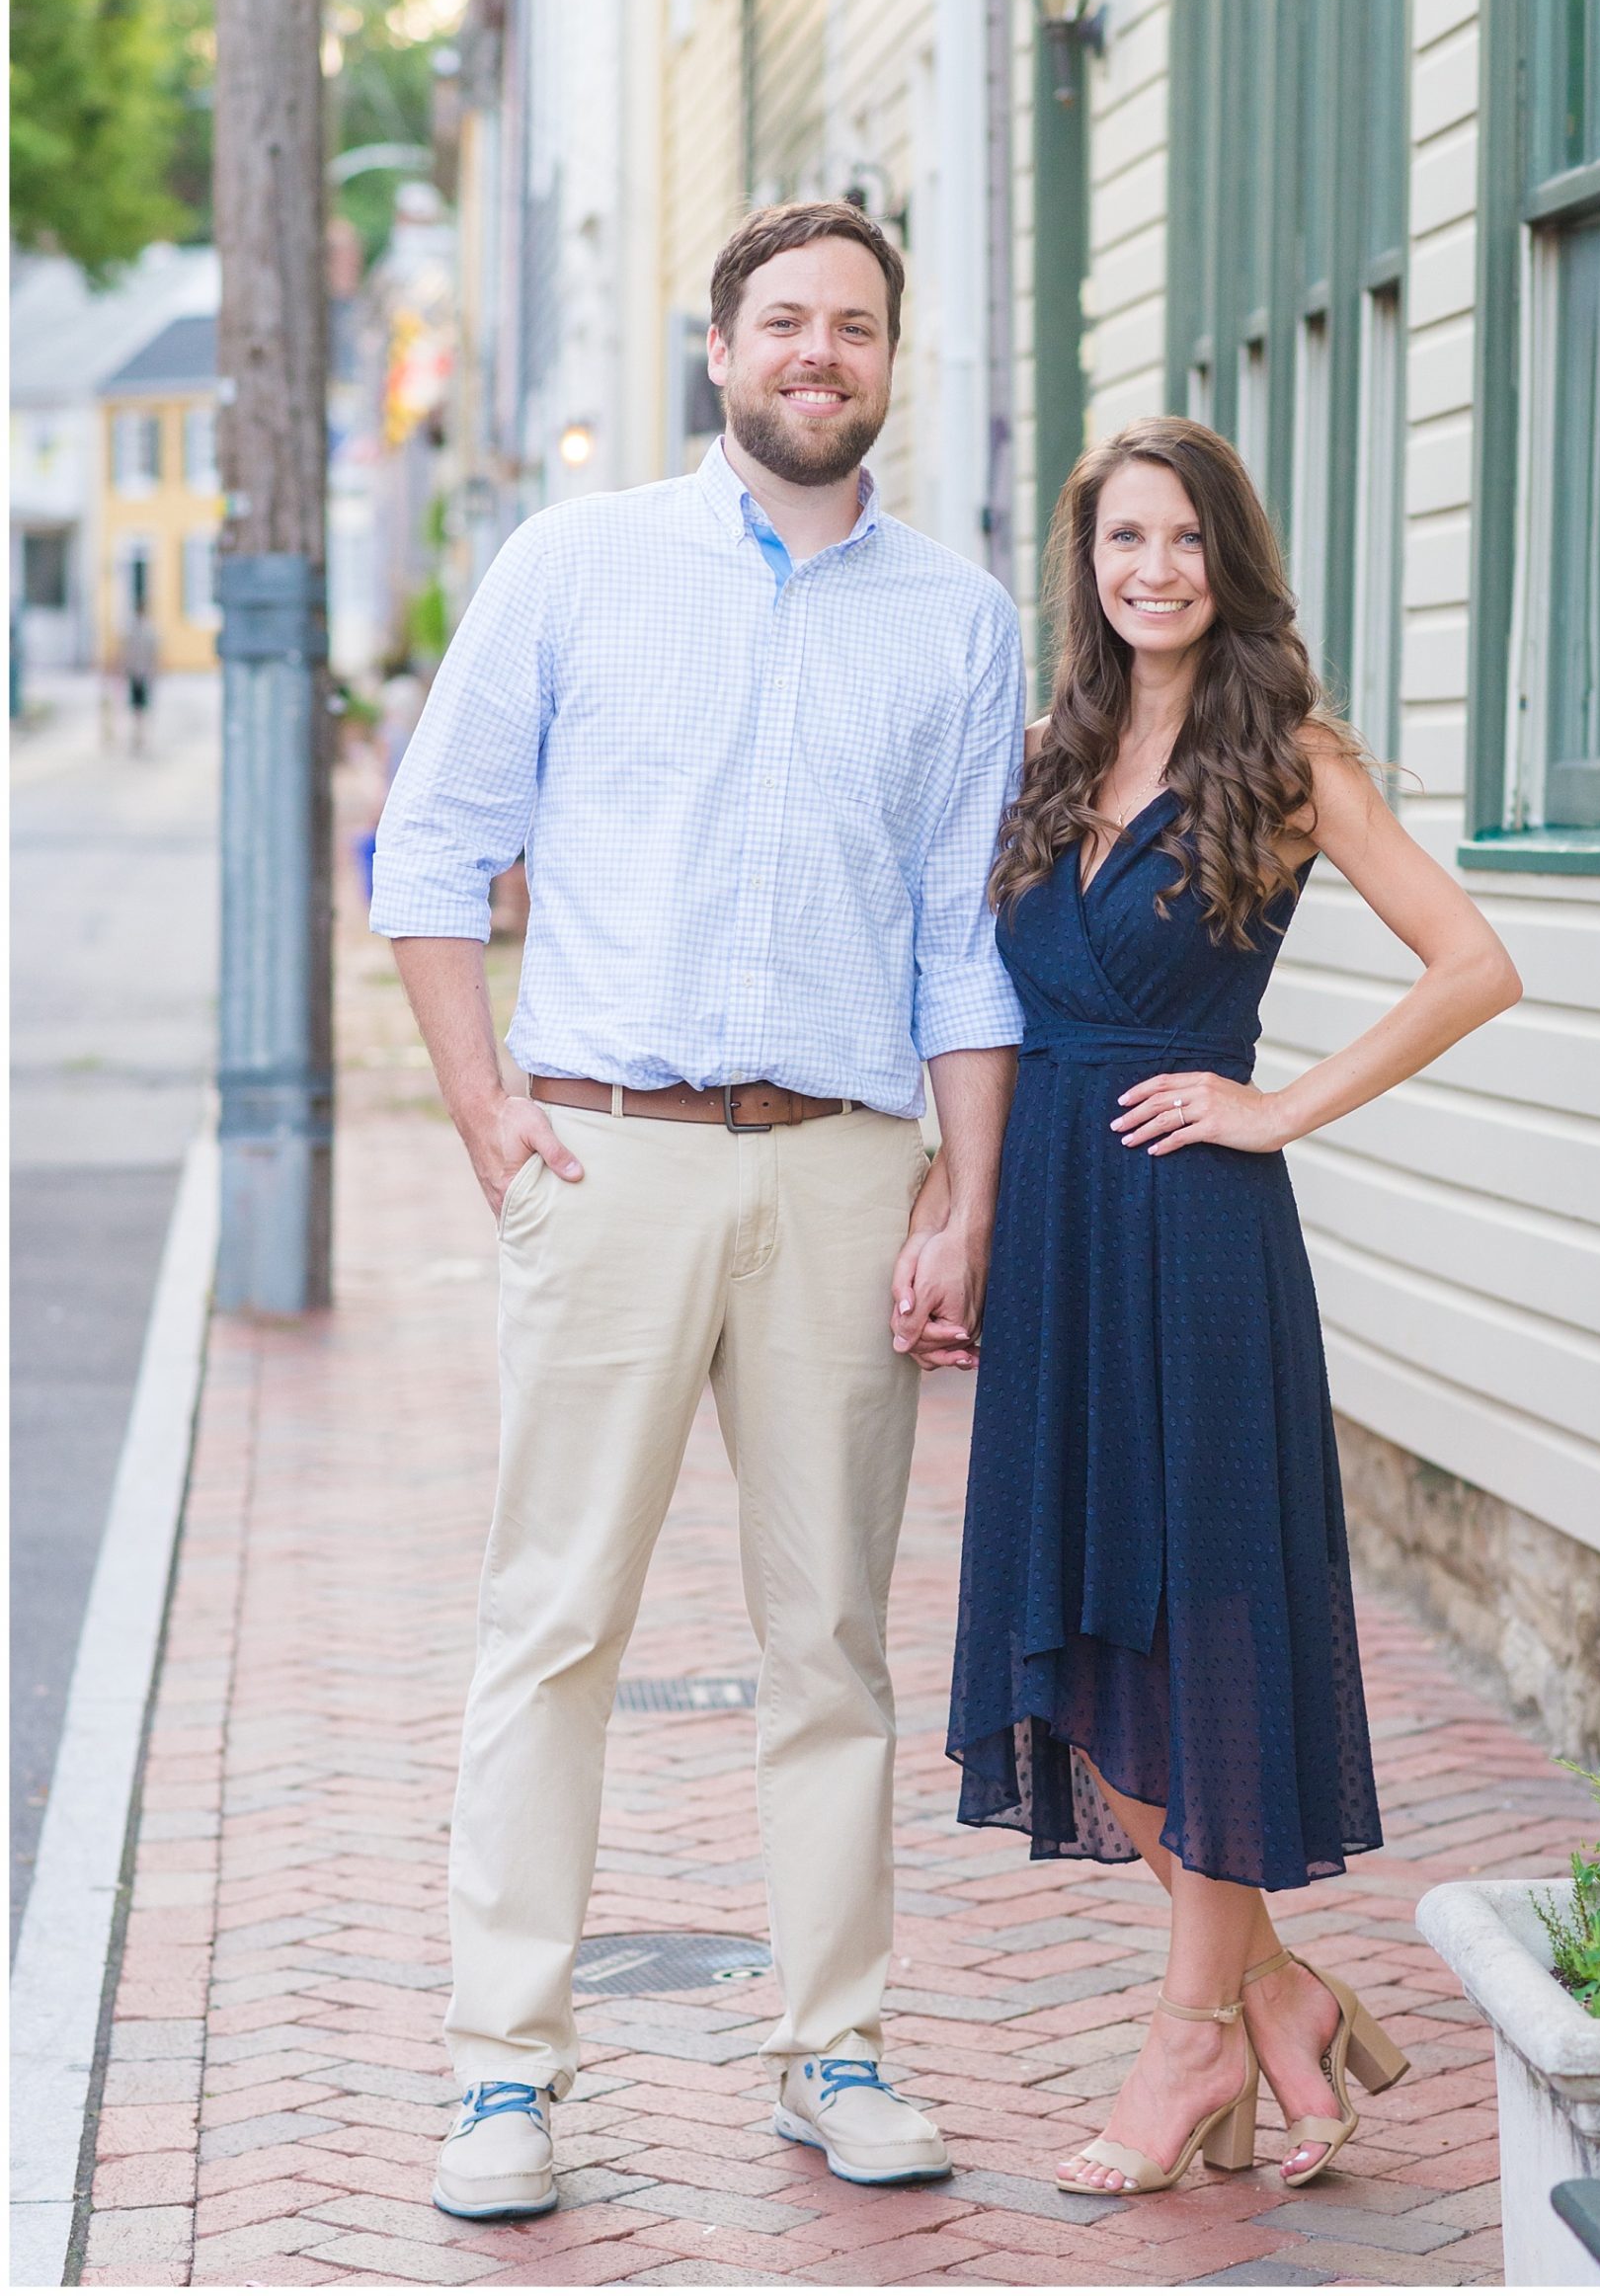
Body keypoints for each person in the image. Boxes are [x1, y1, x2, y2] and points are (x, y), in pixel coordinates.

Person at [369, 200, 1023, 2219]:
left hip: (840, 1165)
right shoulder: (578, 562)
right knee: (555, 1614)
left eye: (853, 326)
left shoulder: (961, 619)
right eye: (784, 322)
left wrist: (964, 1198)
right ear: (719, 347)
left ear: (888, 362)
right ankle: (506, 2071)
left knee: (829, 1632)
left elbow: (958, 950)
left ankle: (831, 2043)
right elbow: (432, 842)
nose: (818, 353)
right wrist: (482, 1107)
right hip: (611, 1150)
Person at [898, 419, 1520, 2199]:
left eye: (1178, 539)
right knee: (1073, 1653)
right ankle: (1280, 2004)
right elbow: (992, 1018)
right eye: (1118, 541)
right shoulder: (1046, 755)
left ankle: (1186, 2051)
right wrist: (961, 1210)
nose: (1148, 568)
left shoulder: (1288, 755)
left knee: (1193, 1636)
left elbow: (1471, 963)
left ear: (1224, 559)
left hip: (1191, 1232)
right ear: (1083, 569)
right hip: (1053, 1252)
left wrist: (1272, 1104)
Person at [120, 595, 158, 755]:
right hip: (139, 672)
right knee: (139, 706)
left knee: (139, 706)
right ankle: (139, 734)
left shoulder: (139, 630)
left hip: (138, 672)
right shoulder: (144, 630)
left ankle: (139, 734)